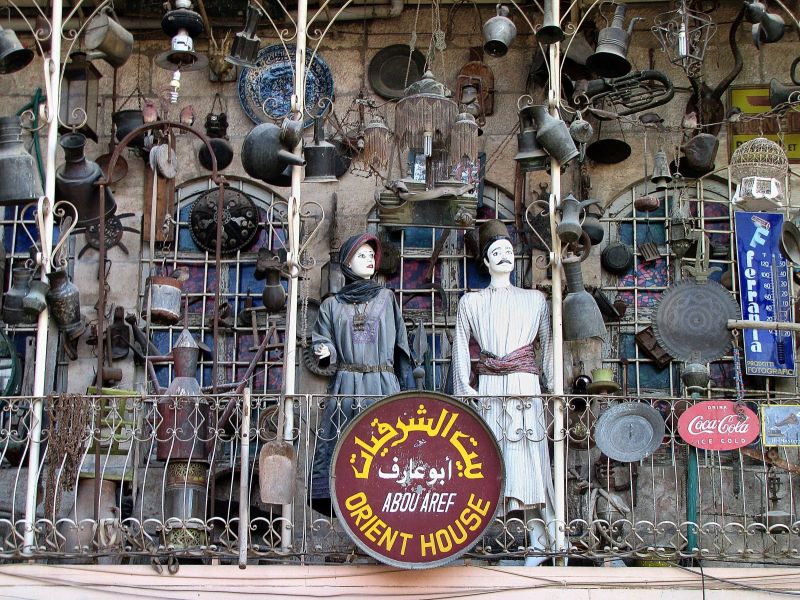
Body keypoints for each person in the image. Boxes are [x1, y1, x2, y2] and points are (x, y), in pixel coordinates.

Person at [451, 219, 556, 566]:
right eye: (496, 252)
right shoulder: (471, 302)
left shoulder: (535, 300)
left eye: (508, 251)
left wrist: (553, 384)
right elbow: (461, 346)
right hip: (491, 387)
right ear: (485, 261)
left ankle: (541, 537)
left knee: (529, 460)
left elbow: (547, 344)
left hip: (525, 385)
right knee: (490, 458)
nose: (504, 256)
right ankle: (479, 538)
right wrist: (465, 387)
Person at [309, 233, 412, 511]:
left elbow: (401, 344)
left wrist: (407, 387)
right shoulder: (331, 305)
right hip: (346, 387)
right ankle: (353, 515)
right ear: (347, 263)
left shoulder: (387, 298)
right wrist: (326, 351)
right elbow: (322, 339)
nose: (369, 260)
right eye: (361, 255)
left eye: (370, 255)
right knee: (347, 451)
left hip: (383, 386)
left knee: (388, 451)